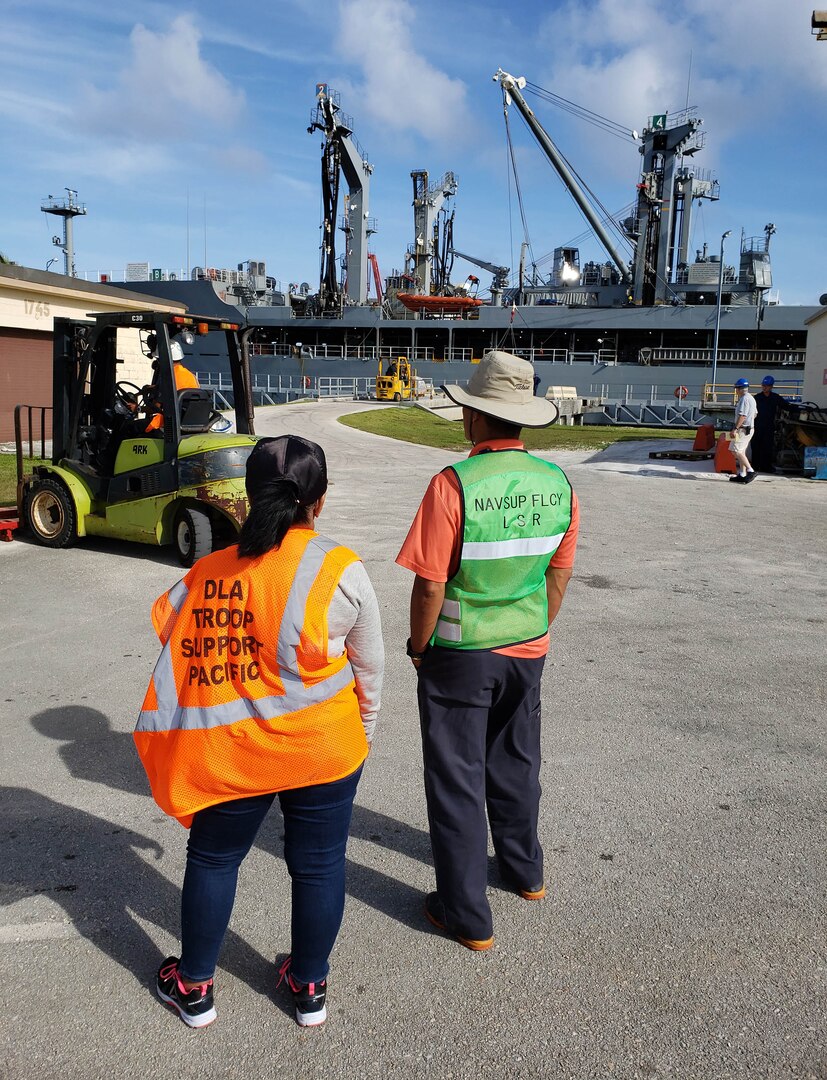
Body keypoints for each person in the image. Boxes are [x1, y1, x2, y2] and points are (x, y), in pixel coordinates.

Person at [134, 435, 383, 1028]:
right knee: (320, 865)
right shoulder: (341, 569)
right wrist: (360, 738)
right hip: (323, 750)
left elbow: (171, 632)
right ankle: (309, 987)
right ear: (317, 501)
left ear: (246, 500)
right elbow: (370, 669)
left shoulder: (207, 572)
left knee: (215, 860)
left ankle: (193, 988)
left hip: (230, 754)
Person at [395, 350, 579, 950]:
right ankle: (526, 873)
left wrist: (419, 647)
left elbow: (429, 583)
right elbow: (558, 575)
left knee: (457, 779)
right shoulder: (559, 484)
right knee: (517, 761)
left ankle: (466, 915)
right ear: (523, 417)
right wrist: (533, 628)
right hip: (529, 649)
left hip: (459, 654)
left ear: (474, 416)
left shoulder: (453, 485)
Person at [751, 375, 786, 472]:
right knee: (756, 446)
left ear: (771, 387)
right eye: (763, 385)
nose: (764, 387)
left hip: (768, 427)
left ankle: (766, 466)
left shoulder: (775, 398)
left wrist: (800, 410)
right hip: (757, 426)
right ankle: (755, 466)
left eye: (767, 386)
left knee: (767, 447)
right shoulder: (757, 398)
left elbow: (786, 406)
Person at [729, 377, 758, 484]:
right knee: (741, 451)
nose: (736, 391)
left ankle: (750, 471)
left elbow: (742, 415)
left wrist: (736, 429)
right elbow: (754, 414)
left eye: (736, 388)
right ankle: (742, 474)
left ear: (740, 389)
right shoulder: (751, 398)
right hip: (748, 428)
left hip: (742, 430)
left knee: (736, 451)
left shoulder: (744, 399)